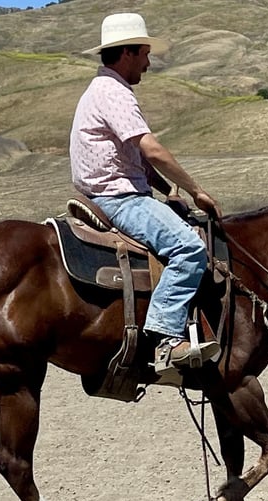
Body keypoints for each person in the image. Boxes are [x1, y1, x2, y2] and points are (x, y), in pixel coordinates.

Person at [70, 12, 223, 379]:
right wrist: (195, 190)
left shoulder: (101, 90)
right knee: (189, 249)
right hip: (119, 197)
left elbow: (136, 156)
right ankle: (167, 338)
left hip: (112, 191)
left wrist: (166, 190)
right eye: (144, 54)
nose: (148, 63)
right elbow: (151, 149)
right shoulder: (114, 93)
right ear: (126, 54)